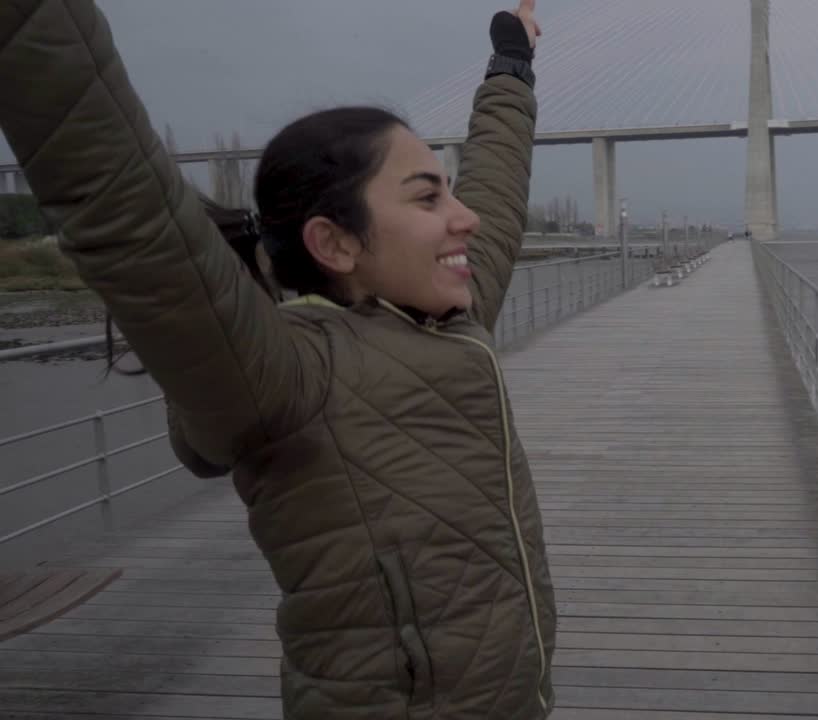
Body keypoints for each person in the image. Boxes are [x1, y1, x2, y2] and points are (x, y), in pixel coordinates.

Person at [0, 1, 557, 718]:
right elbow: (126, 208)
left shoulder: (449, 321)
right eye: (428, 198)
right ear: (335, 244)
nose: (464, 216)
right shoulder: (284, 373)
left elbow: (499, 186)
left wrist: (511, 66)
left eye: (449, 190)